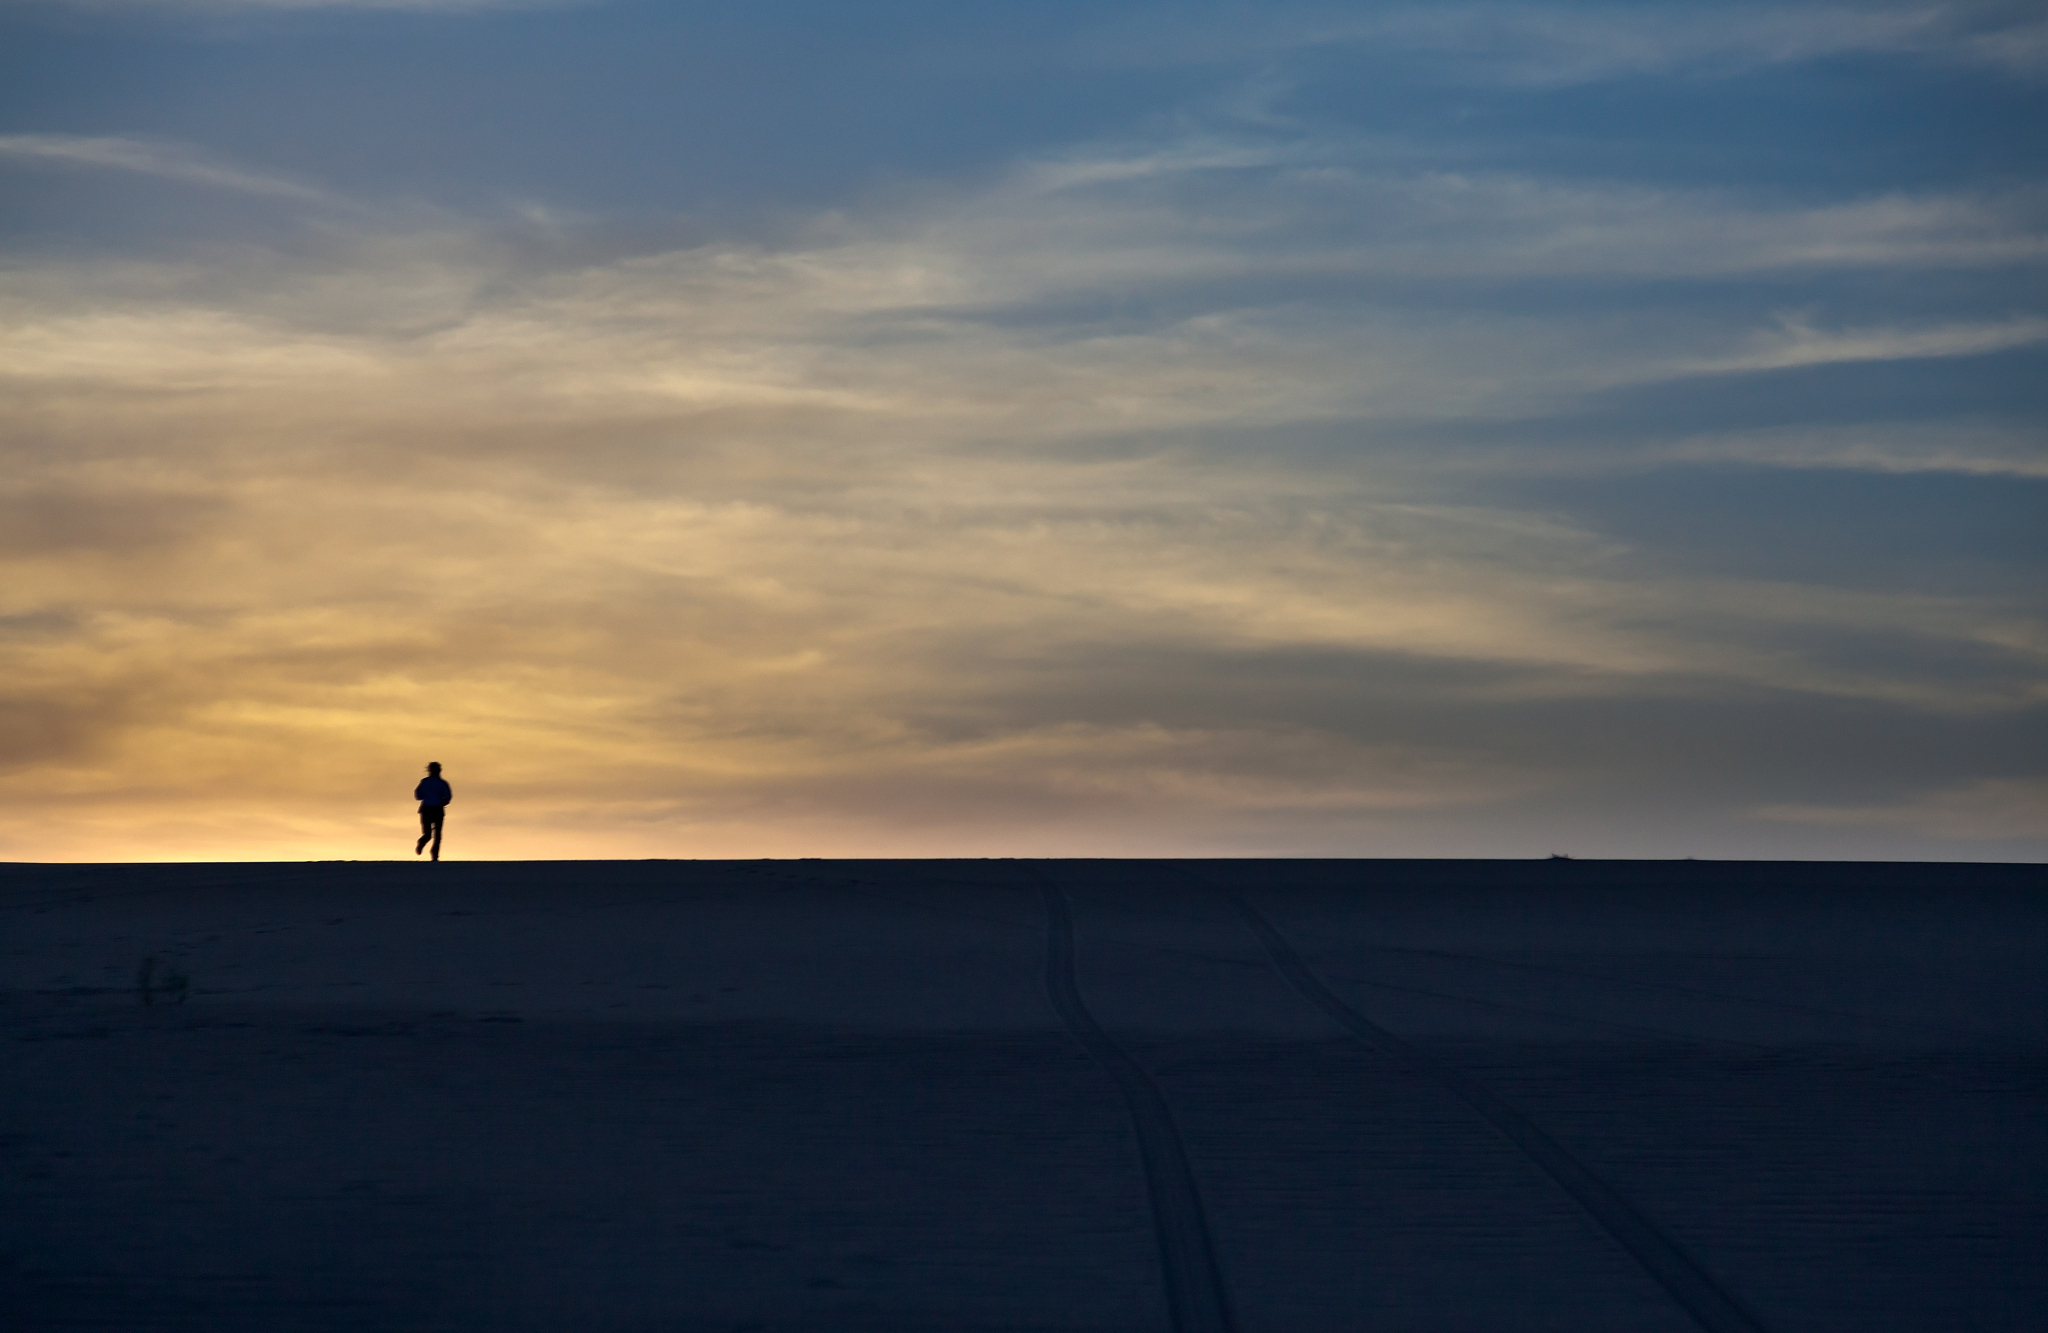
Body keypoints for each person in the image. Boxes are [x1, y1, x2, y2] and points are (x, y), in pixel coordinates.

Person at [414, 762, 452, 860]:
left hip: (426, 809)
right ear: (439, 770)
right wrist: (442, 802)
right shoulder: (442, 783)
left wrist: (427, 796)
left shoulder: (424, 782)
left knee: (427, 834)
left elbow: (418, 796)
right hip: (437, 809)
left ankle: (422, 842)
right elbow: (448, 797)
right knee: (437, 835)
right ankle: (434, 855)